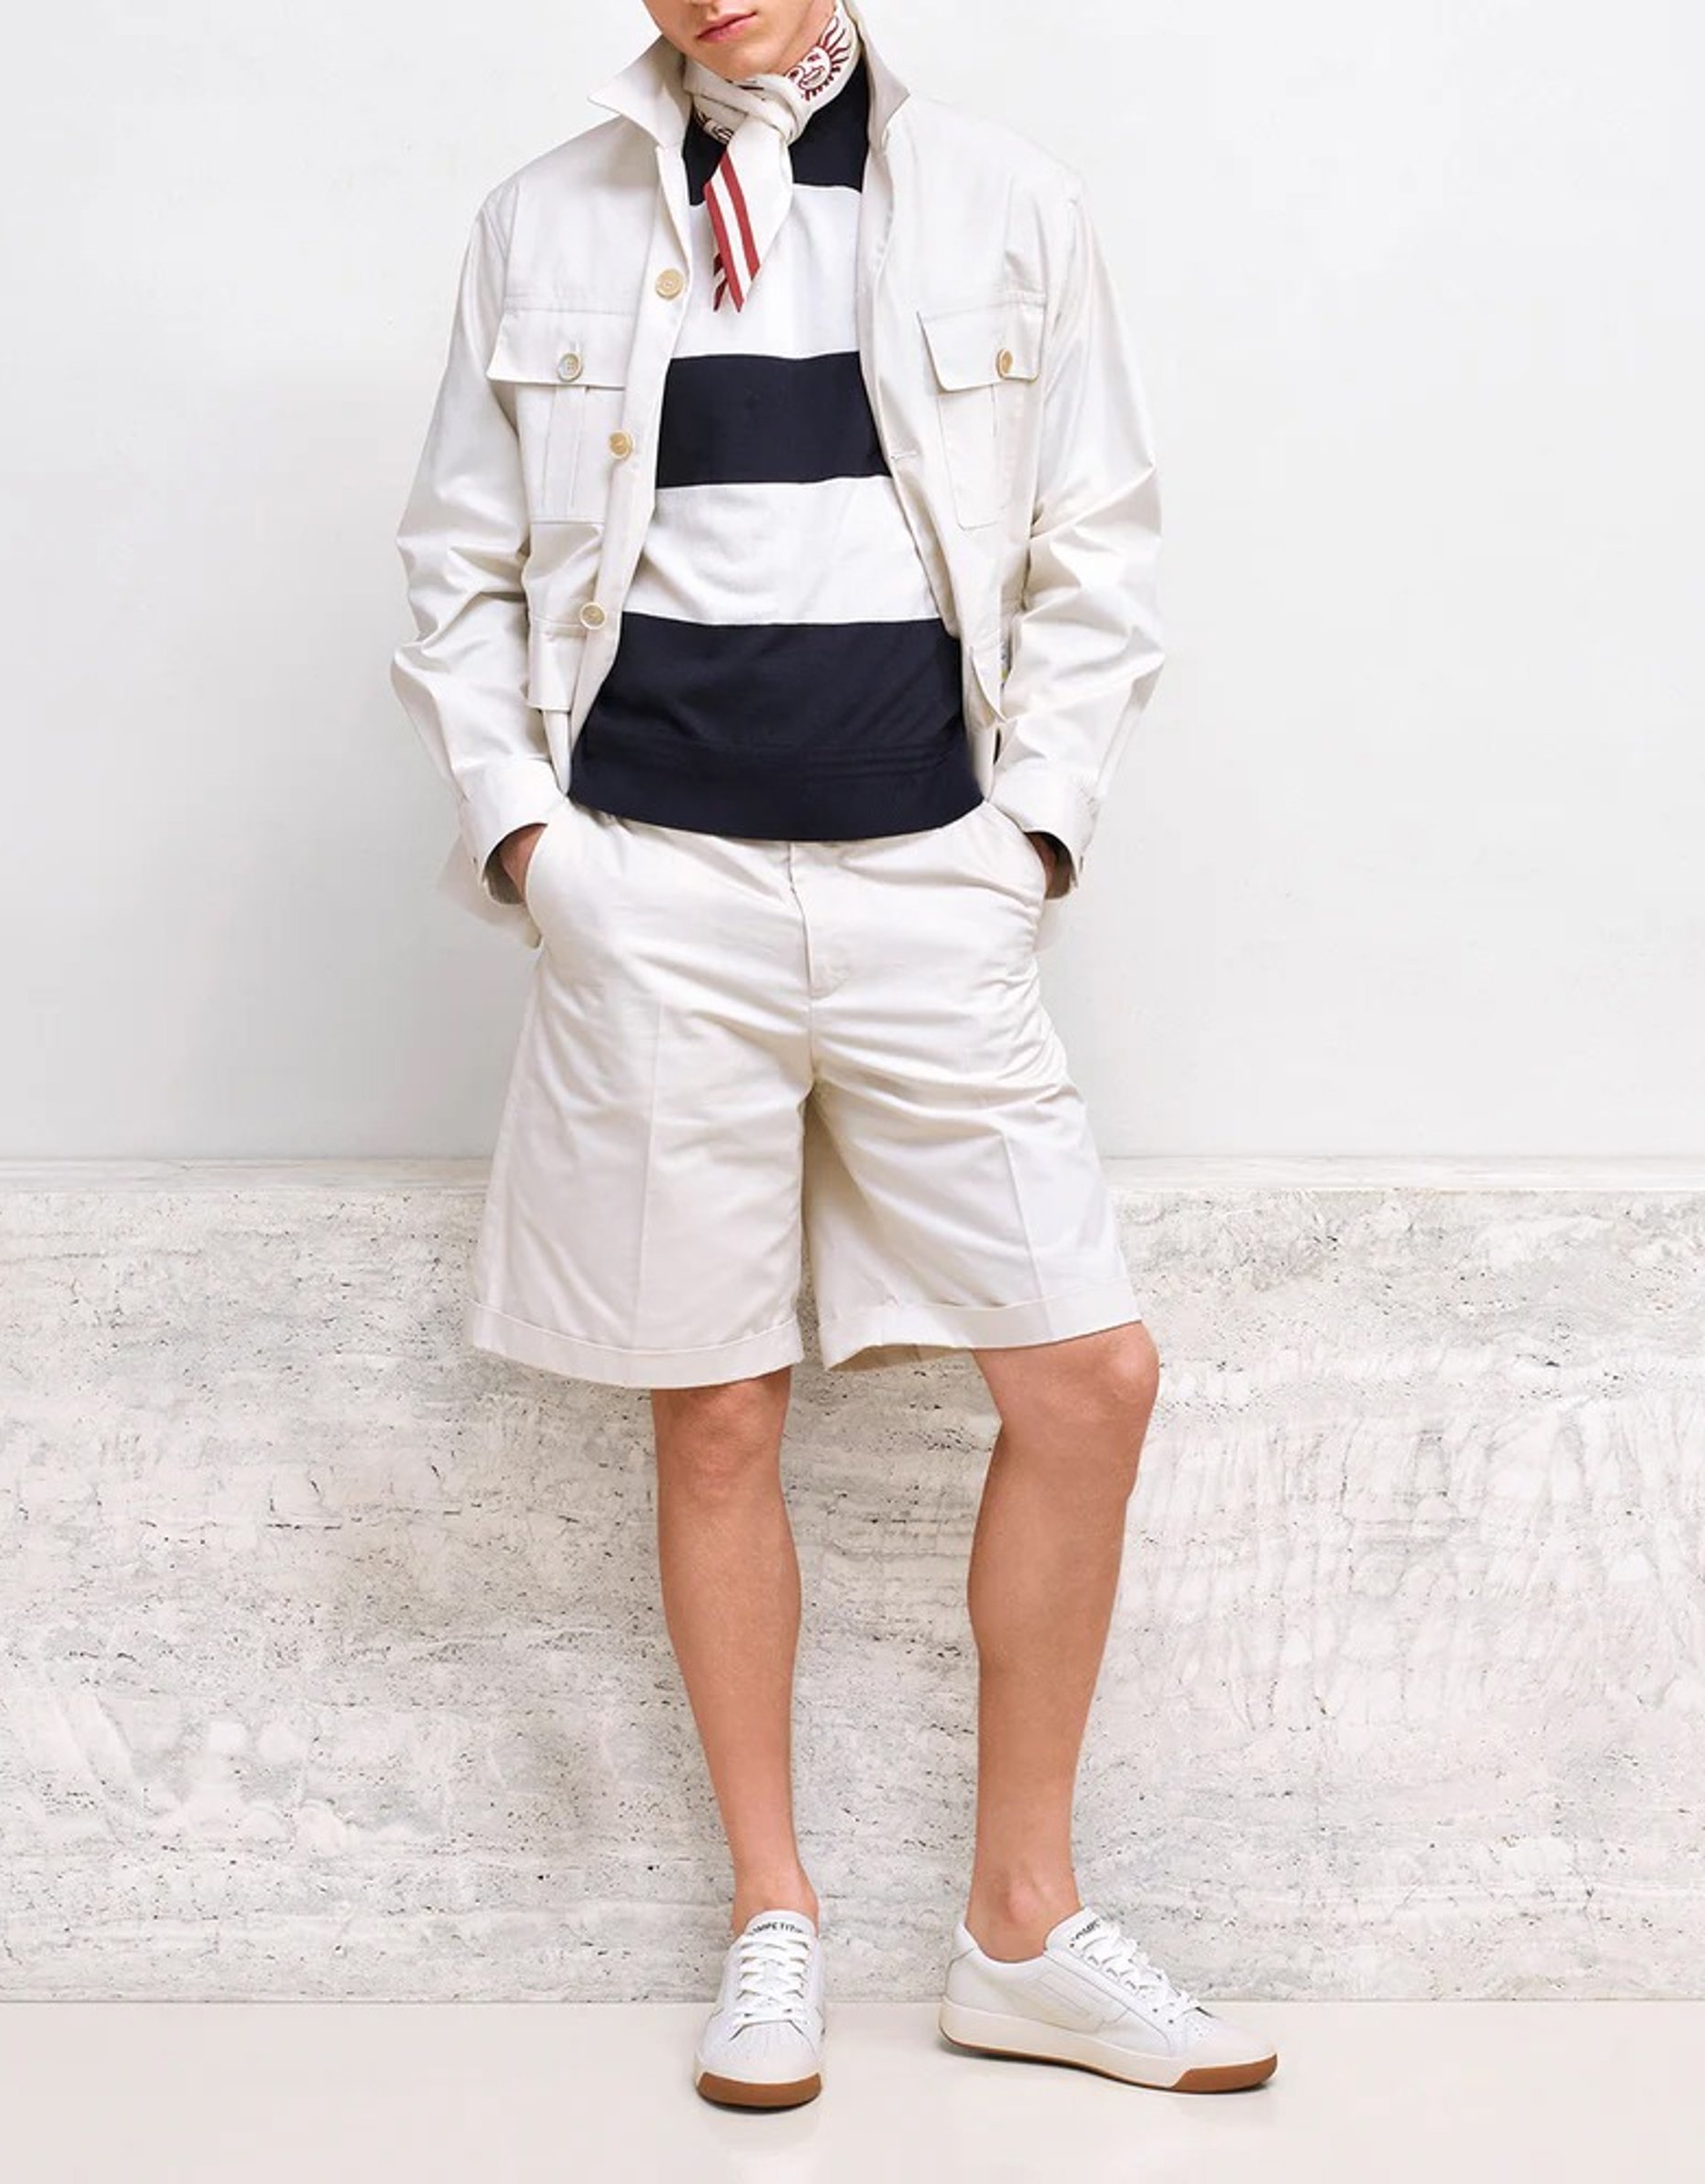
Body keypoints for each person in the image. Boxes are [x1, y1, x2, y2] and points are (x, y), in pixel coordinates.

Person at [390, 0, 1277, 2109]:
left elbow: (1099, 547)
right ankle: (770, 1917)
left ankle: (1023, 1929)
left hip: (925, 888)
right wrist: (535, 851)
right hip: (651, 895)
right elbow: (457, 567)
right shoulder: (540, 220)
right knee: (714, 1413)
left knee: (1086, 1375)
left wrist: (1027, 837)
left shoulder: (1002, 201)